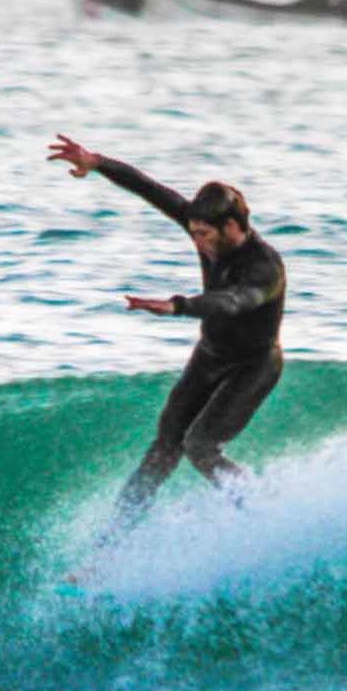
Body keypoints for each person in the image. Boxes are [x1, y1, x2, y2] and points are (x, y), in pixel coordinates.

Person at [47, 133, 286, 535]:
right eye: (193, 233)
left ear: (231, 226)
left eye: (205, 235)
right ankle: (109, 547)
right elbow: (152, 190)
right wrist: (98, 162)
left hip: (254, 366)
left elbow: (233, 302)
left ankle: (264, 514)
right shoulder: (204, 227)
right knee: (163, 449)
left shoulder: (266, 268)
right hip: (210, 355)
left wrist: (180, 305)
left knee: (200, 446)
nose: (198, 243)